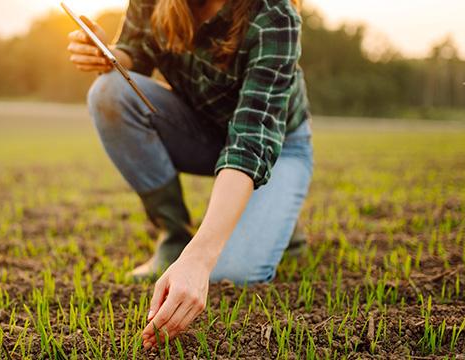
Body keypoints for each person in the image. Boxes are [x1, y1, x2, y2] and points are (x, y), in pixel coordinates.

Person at [66, 0, 310, 347]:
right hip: (203, 126)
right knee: (109, 92)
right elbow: (136, 50)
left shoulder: (275, 16)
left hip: (277, 144)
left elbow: (250, 143)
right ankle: (174, 235)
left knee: (231, 273)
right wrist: (111, 55)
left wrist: (199, 260)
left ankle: (278, 216)